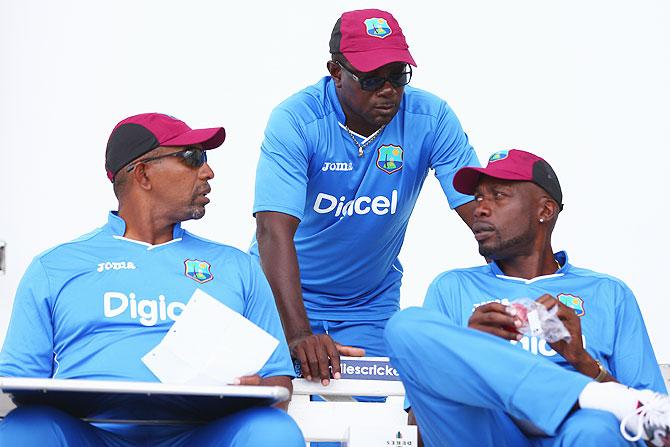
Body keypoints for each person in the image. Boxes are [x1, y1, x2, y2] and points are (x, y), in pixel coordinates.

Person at [0, 113, 305, 446]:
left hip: (201, 435)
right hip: (89, 434)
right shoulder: (54, 267)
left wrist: (257, 391)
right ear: (143, 173)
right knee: (24, 427)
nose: (208, 171)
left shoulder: (237, 267)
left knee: (273, 429)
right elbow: (19, 381)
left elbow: (278, 380)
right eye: (192, 158)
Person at [251, 8, 480, 384]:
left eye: (398, 75)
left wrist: (532, 280)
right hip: (284, 294)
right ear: (336, 71)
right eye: (372, 78)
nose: (388, 89)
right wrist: (299, 335)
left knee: (377, 417)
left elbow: (482, 212)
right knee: (281, 408)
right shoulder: (295, 119)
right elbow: (273, 232)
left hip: (367, 304)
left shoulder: (432, 118)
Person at [384, 149, 670, 447]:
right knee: (404, 325)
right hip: (484, 434)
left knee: (594, 428)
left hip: (572, 436)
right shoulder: (452, 286)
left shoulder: (609, 294)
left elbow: (656, 433)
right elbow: (422, 426)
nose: (479, 208)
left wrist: (582, 361)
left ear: (545, 210)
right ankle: (587, 396)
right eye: (478, 197)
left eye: (498, 195)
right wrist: (468, 353)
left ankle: (588, 399)